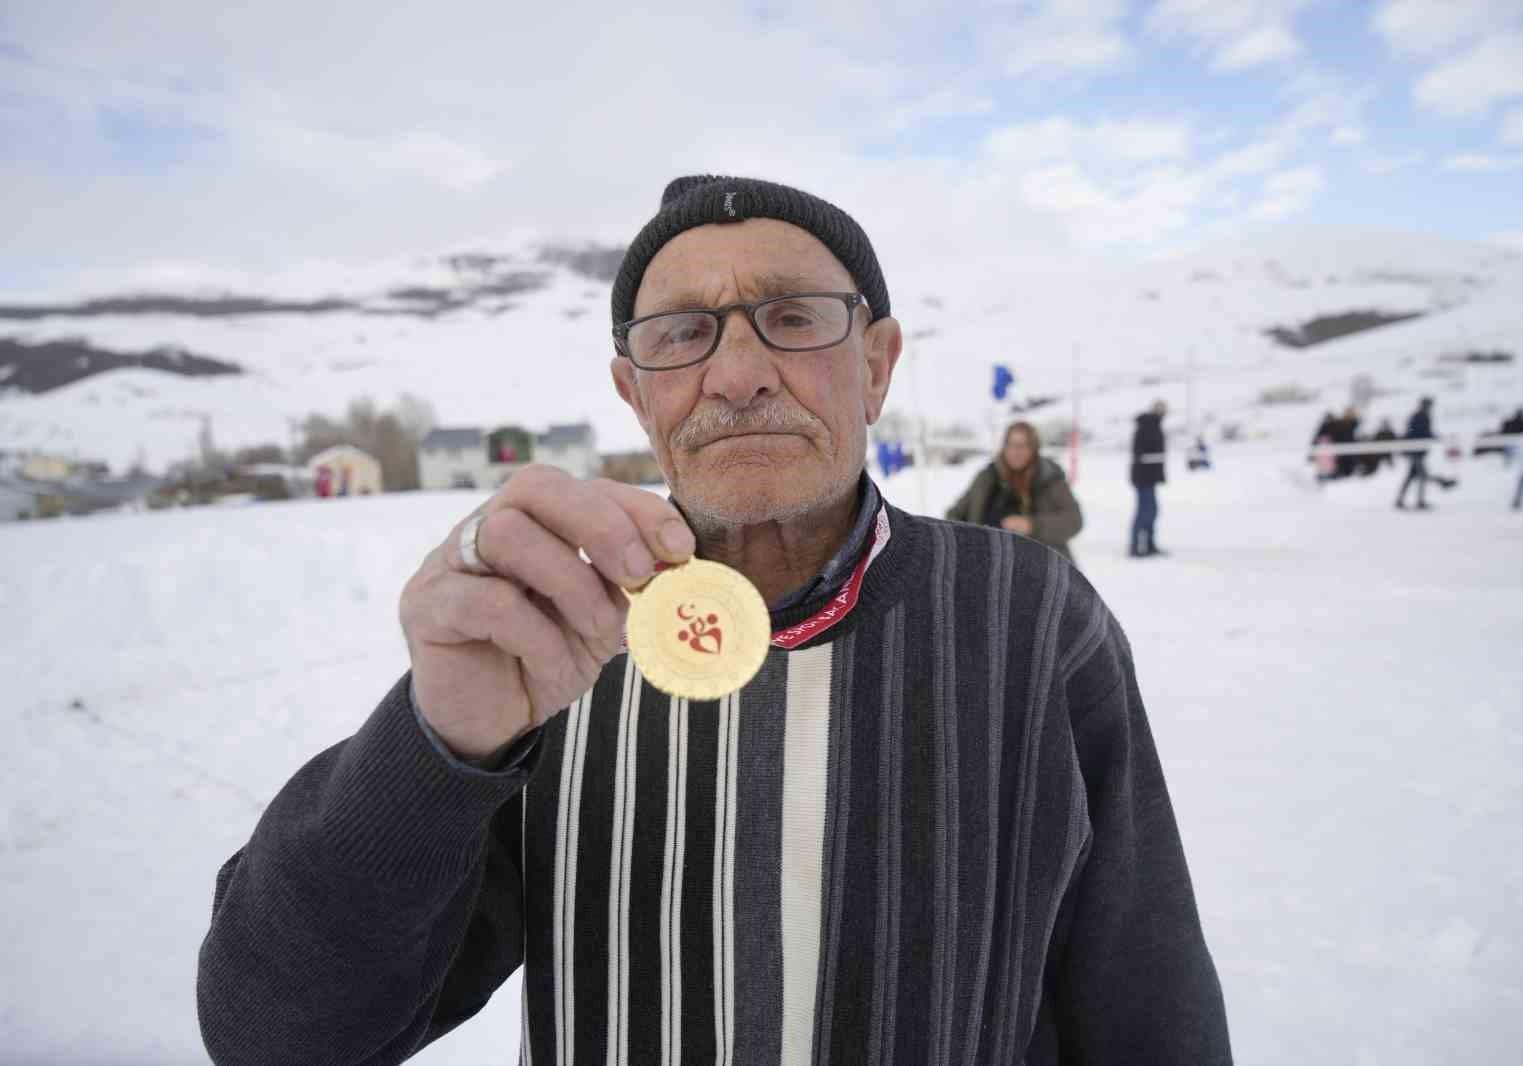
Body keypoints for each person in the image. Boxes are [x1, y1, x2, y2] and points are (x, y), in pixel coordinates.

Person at [196, 175, 1231, 1065]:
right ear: (635, 393)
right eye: (682, 334)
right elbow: (277, 1032)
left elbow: (1145, 991)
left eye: (791, 316)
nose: (735, 374)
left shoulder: (1030, 615)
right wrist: (438, 747)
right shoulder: (558, 628)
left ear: (875, 364)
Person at [945, 420, 1084, 563]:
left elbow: (1074, 520)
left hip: (1042, 565)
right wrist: (971, 541)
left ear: (1034, 448)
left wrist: (1032, 525)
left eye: (1023, 445)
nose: (1016, 451)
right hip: (989, 565)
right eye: (1011, 445)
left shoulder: (1049, 478)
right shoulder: (986, 478)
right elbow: (954, 514)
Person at [1395, 396, 1456, 510]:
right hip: (1415, 451)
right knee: (1422, 475)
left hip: (1416, 450)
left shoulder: (1420, 416)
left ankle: (1400, 500)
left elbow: (1420, 433)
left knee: (1411, 477)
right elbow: (1420, 433)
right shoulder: (1421, 417)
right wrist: (1434, 437)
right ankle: (1420, 501)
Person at [1130, 400, 1167, 556]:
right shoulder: (1147, 426)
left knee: (1152, 511)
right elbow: (1141, 454)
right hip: (1143, 478)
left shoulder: (1154, 425)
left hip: (1149, 478)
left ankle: (1149, 545)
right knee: (1145, 512)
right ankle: (1136, 546)